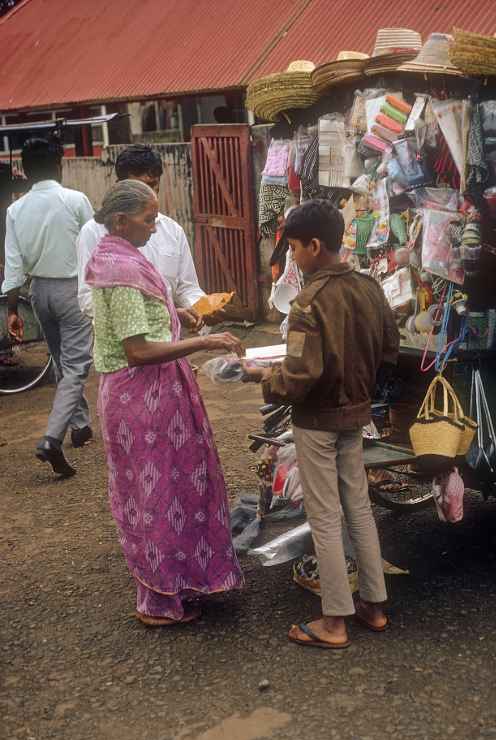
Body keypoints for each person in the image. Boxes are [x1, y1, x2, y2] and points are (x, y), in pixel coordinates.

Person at [85, 180, 245, 626]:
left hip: (159, 397)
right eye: (149, 219)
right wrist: (203, 340)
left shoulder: (122, 258)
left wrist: (180, 314)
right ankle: (157, 599)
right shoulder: (118, 270)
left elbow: (148, 318)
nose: (156, 228)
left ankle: (186, 581)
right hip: (140, 399)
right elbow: (137, 349)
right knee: (155, 495)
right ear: (121, 221)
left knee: (182, 489)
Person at [243, 199, 400, 649]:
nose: (292, 257)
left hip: (317, 420)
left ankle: (334, 621)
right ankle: (374, 605)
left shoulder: (308, 300)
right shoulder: (370, 287)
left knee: (325, 516)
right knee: (359, 508)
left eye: (294, 248)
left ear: (314, 245)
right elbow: (388, 348)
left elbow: (299, 377)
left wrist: (264, 378)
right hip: (356, 413)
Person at [3, 138, 94, 477]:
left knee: (62, 361)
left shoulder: (16, 209)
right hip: (72, 290)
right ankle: (52, 438)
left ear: (24, 171)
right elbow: (95, 245)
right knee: (75, 366)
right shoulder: (75, 200)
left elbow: (13, 265)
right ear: (59, 165)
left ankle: (81, 426)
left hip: (38, 291)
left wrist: (12, 310)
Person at [77, 144, 205, 330]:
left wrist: (201, 307)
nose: (148, 195)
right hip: (119, 343)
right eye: (140, 187)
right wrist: (158, 314)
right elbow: (88, 298)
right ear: (121, 186)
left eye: (153, 185)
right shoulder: (94, 232)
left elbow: (187, 287)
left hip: (168, 338)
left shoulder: (172, 230)